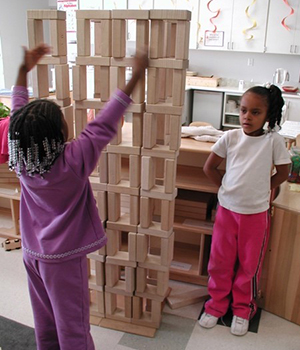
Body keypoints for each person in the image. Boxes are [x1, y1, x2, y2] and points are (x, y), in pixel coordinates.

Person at [8, 43, 148, 350]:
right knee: (73, 326)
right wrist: (136, 74)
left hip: (32, 254)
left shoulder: (22, 157)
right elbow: (106, 121)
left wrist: (22, 70)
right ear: (60, 133)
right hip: (64, 260)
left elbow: (18, 109)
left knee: (44, 321)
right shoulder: (73, 161)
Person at [199, 84, 291, 336]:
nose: (247, 117)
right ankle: (216, 305)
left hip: (255, 214)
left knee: (249, 266)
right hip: (227, 211)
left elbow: (283, 172)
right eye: (243, 110)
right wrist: (225, 189)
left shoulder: (273, 141)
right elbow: (209, 168)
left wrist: (264, 190)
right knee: (220, 261)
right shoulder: (230, 137)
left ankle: (242, 309)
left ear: (268, 115)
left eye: (255, 112)